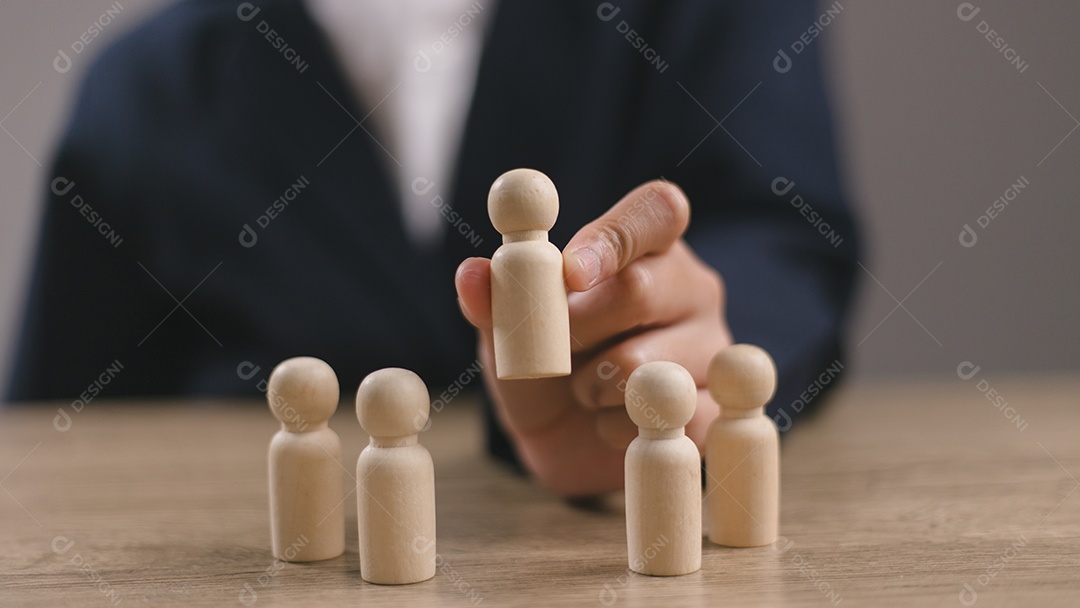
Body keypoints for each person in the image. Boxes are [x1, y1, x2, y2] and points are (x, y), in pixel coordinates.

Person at [6, 0, 859, 496]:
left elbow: (785, 232)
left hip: (613, 492)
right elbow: (55, 427)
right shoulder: (144, 86)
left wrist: (686, 345)